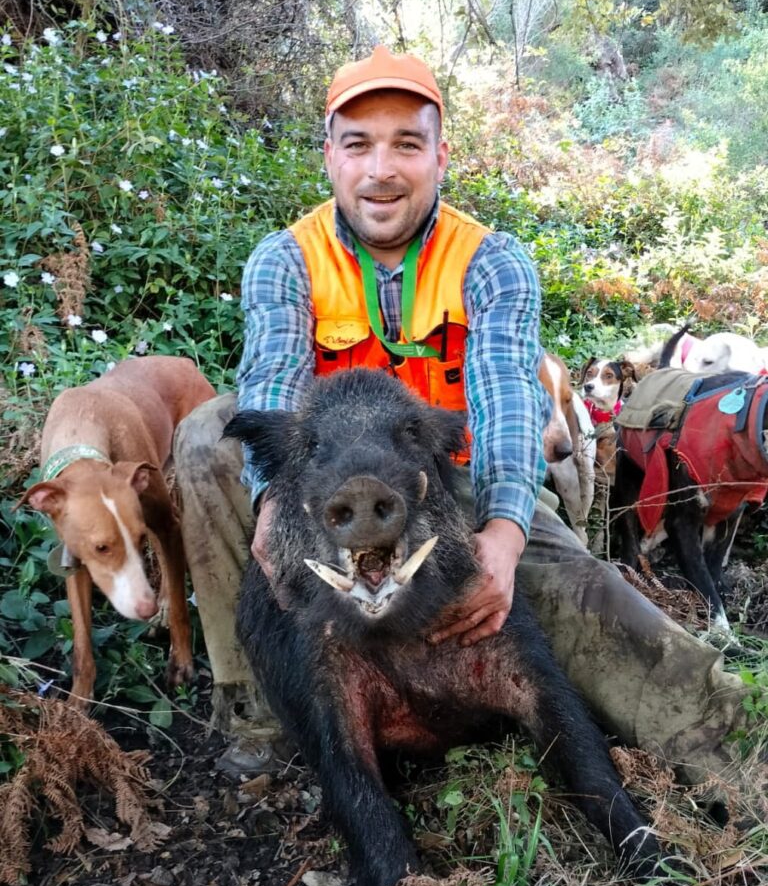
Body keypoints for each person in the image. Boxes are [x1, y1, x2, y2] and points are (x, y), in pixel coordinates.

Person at [174, 46, 748, 792]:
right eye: (358, 145)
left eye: (406, 145)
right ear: (330, 157)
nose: (381, 170)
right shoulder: (284, 260)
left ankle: (727, 747)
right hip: (327, 489)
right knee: (206, 434)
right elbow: (272, 389)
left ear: (440, 155)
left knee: (586, 595)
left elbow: (508, 401)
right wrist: (275, 507)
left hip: (459, 482)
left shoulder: (492, 261)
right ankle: (260, 706)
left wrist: (502, 541)